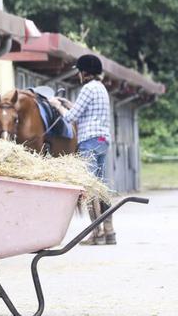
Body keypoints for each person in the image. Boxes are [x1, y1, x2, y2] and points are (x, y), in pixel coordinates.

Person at [48, 54, 116, 245]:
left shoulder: (87, 88)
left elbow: (70, 118)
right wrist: (68, 105)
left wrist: (56, 106)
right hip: (102, 140)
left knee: (90, 187)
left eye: (79, 71)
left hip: (88, 141)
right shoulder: (101, 88)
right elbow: (84, 111)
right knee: (101, 186)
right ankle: (109, 231)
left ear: (84, 72)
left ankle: (96, 234)